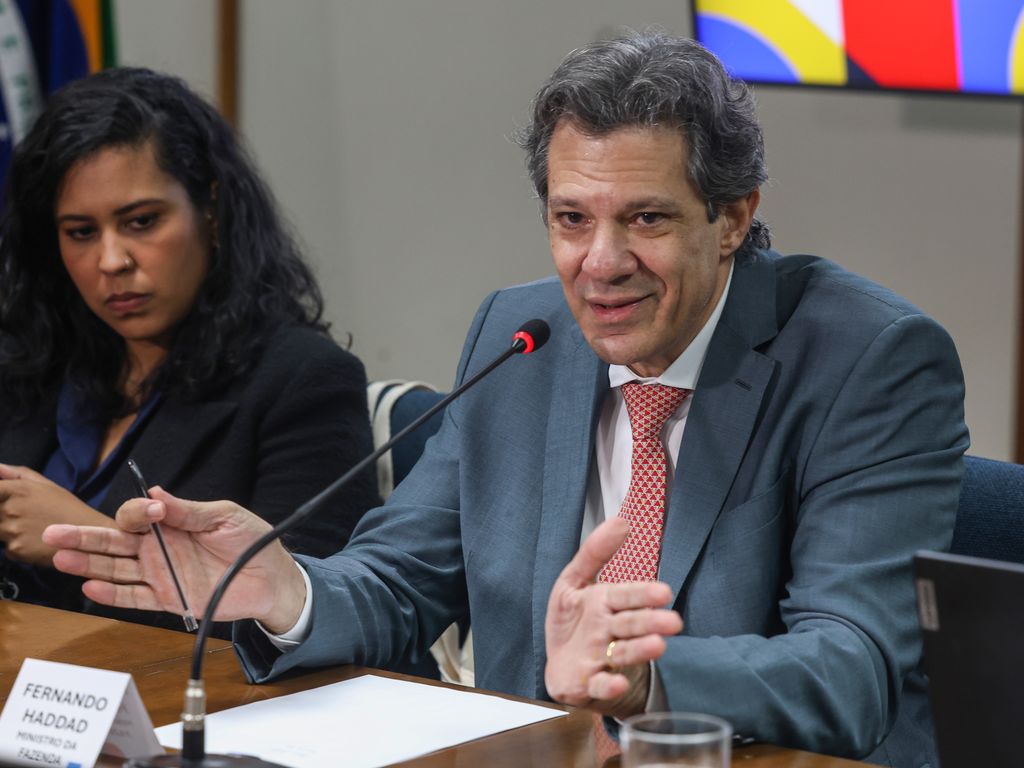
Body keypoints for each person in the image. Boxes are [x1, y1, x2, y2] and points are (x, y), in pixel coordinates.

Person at [44, 35, 968, 767]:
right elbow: (404, 580)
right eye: (571, 219)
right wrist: (287, 593)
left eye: (644, 218)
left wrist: (641, 679)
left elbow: (854, 667)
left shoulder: (870, 360)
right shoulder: (521, 336)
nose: (599, 265)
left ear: (731, 218)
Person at [0, 67, 379, 630]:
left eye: (141, 222)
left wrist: (91, 538)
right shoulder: (32, 363)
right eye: (81, 232)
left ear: (211, 208)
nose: (111, 261)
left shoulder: (305, 381)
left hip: (206, 709)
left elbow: (306, 621)